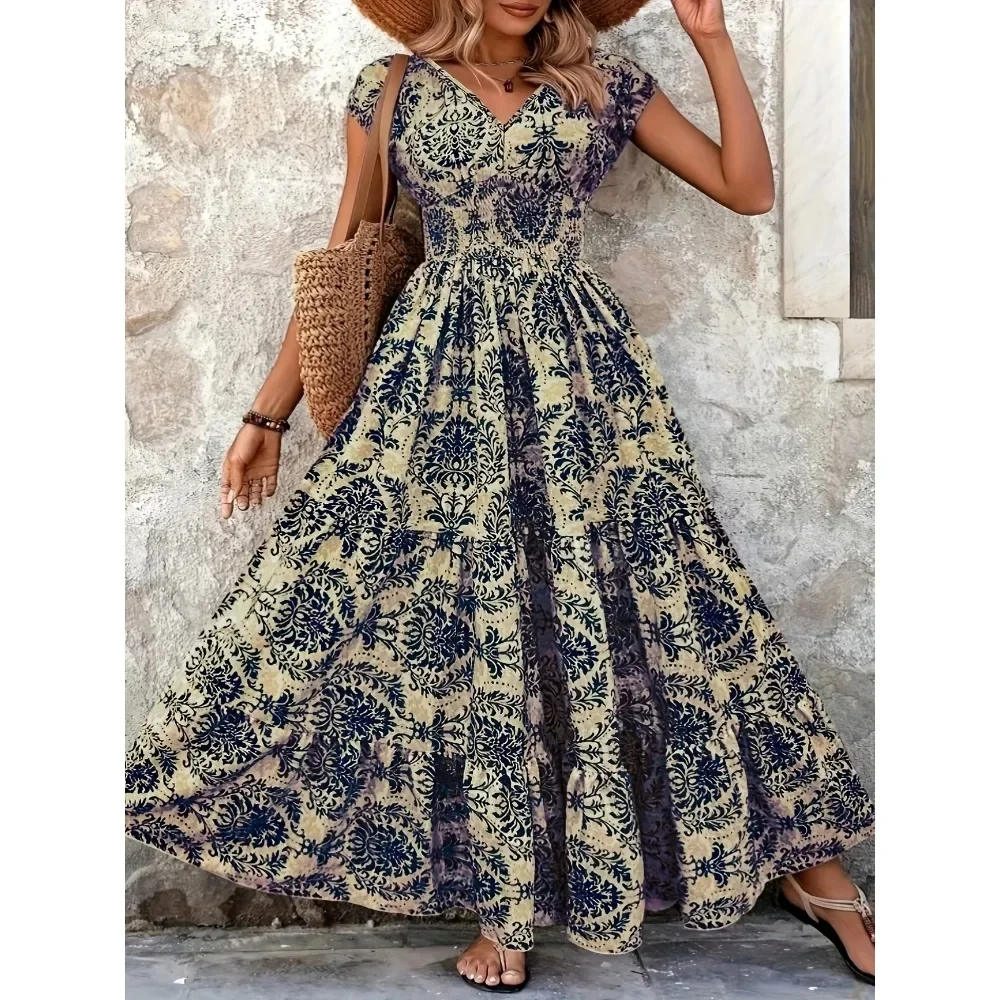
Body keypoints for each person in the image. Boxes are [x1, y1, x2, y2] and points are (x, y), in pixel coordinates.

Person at [125, 0, 875, 993]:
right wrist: (266, 415)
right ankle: (505, 905)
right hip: (432, 388)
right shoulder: (389, 90)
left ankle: (816, 873)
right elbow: (341, 264)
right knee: (464, 628)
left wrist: (711, 41)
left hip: (578, 380)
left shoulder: (604, 87)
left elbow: (747, 188)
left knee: (674, 600)